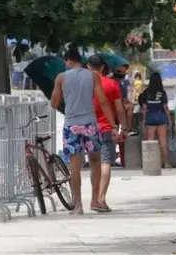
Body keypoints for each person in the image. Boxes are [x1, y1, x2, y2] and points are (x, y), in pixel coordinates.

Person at [50, 46, 115, 215]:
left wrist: (67, 98)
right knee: (95, 161)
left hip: (71, 125)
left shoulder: (61, 78)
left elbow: (54, 103)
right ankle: (94, 200)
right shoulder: (93, 76)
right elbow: (102, 101)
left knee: (75, 166)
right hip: (90, 124)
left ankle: (78, 205)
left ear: (69, 61)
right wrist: (113, 125)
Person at [89, 54, 126, 212]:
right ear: (103, 67)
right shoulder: (112, 84)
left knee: (93, 164)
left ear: (88, 68)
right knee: (105, 162)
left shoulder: (86, 85)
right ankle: (101, 199)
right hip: (106, 128)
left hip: (90, 127)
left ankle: (93, 198)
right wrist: (122, 128)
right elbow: (119, 109)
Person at [139, 71, 171, 168]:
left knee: (150, 141)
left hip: (150, 118)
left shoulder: (146, 92)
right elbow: (166, 107)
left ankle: (151, 164)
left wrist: (144, 121)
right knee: (163, 142)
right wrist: (169, 119)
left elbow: (144, 108)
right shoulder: (162, 92)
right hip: (161, 117)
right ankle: (166, 163)